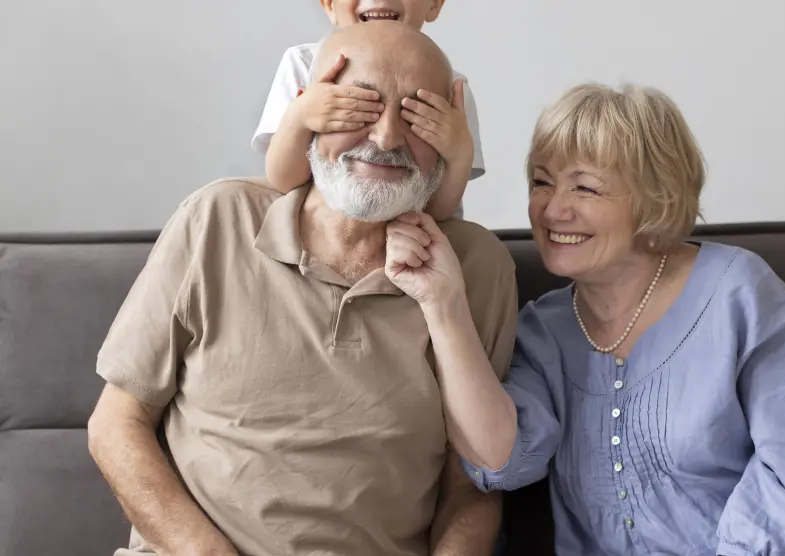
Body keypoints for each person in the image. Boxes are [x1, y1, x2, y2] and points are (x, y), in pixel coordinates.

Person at [384, 83, 785, 555]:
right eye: (541, 182)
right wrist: (444, 304)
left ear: (652, 196)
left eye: (585, 187)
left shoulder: (741, 296)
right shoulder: (545, 330)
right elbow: (500, 460)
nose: (552, 208)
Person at [87, 22, 516, 556]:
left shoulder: (475, 266)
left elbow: (472, 485)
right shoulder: (216, 219)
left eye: (416, 115)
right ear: (308, 110)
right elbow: (115, 424)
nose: (385, 138)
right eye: (360, 105)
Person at [254, 0, 482, 221]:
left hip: (411, 234)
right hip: (320, 231)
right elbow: (283, 180)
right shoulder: (304, 63)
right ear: (329, 4)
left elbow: (439, 212)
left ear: (434, 4)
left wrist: (460, 153)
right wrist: (299, 116)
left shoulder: (452, 86)